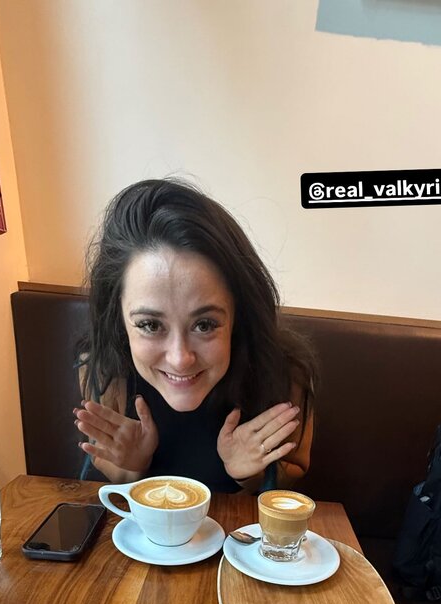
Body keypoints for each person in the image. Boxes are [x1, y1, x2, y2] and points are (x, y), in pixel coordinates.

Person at [74, 178, 315, 493]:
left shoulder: (282, 373)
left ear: (238, 315)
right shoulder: (106, 372)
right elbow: (96, 489)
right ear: (118, 316)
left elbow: (291, 483)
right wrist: (130, 472)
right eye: (150, 325)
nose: (180, 359)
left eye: (205, 325)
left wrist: (250, 474)